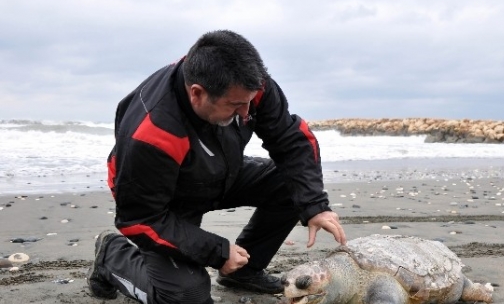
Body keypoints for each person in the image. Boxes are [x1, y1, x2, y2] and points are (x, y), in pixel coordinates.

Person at [87, 30, 347, 303]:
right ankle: (111, 256)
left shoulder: (248, 86)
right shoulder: (153, 132)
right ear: (197, 94)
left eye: (249, 102)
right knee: (187, 296)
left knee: (291, 184)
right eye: (235, 106)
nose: (247, 113)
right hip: (163, 202)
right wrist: (218, 252)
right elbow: (140, 219)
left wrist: (314, 204)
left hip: (219, 172)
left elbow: (292, 140)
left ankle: (244, 272)